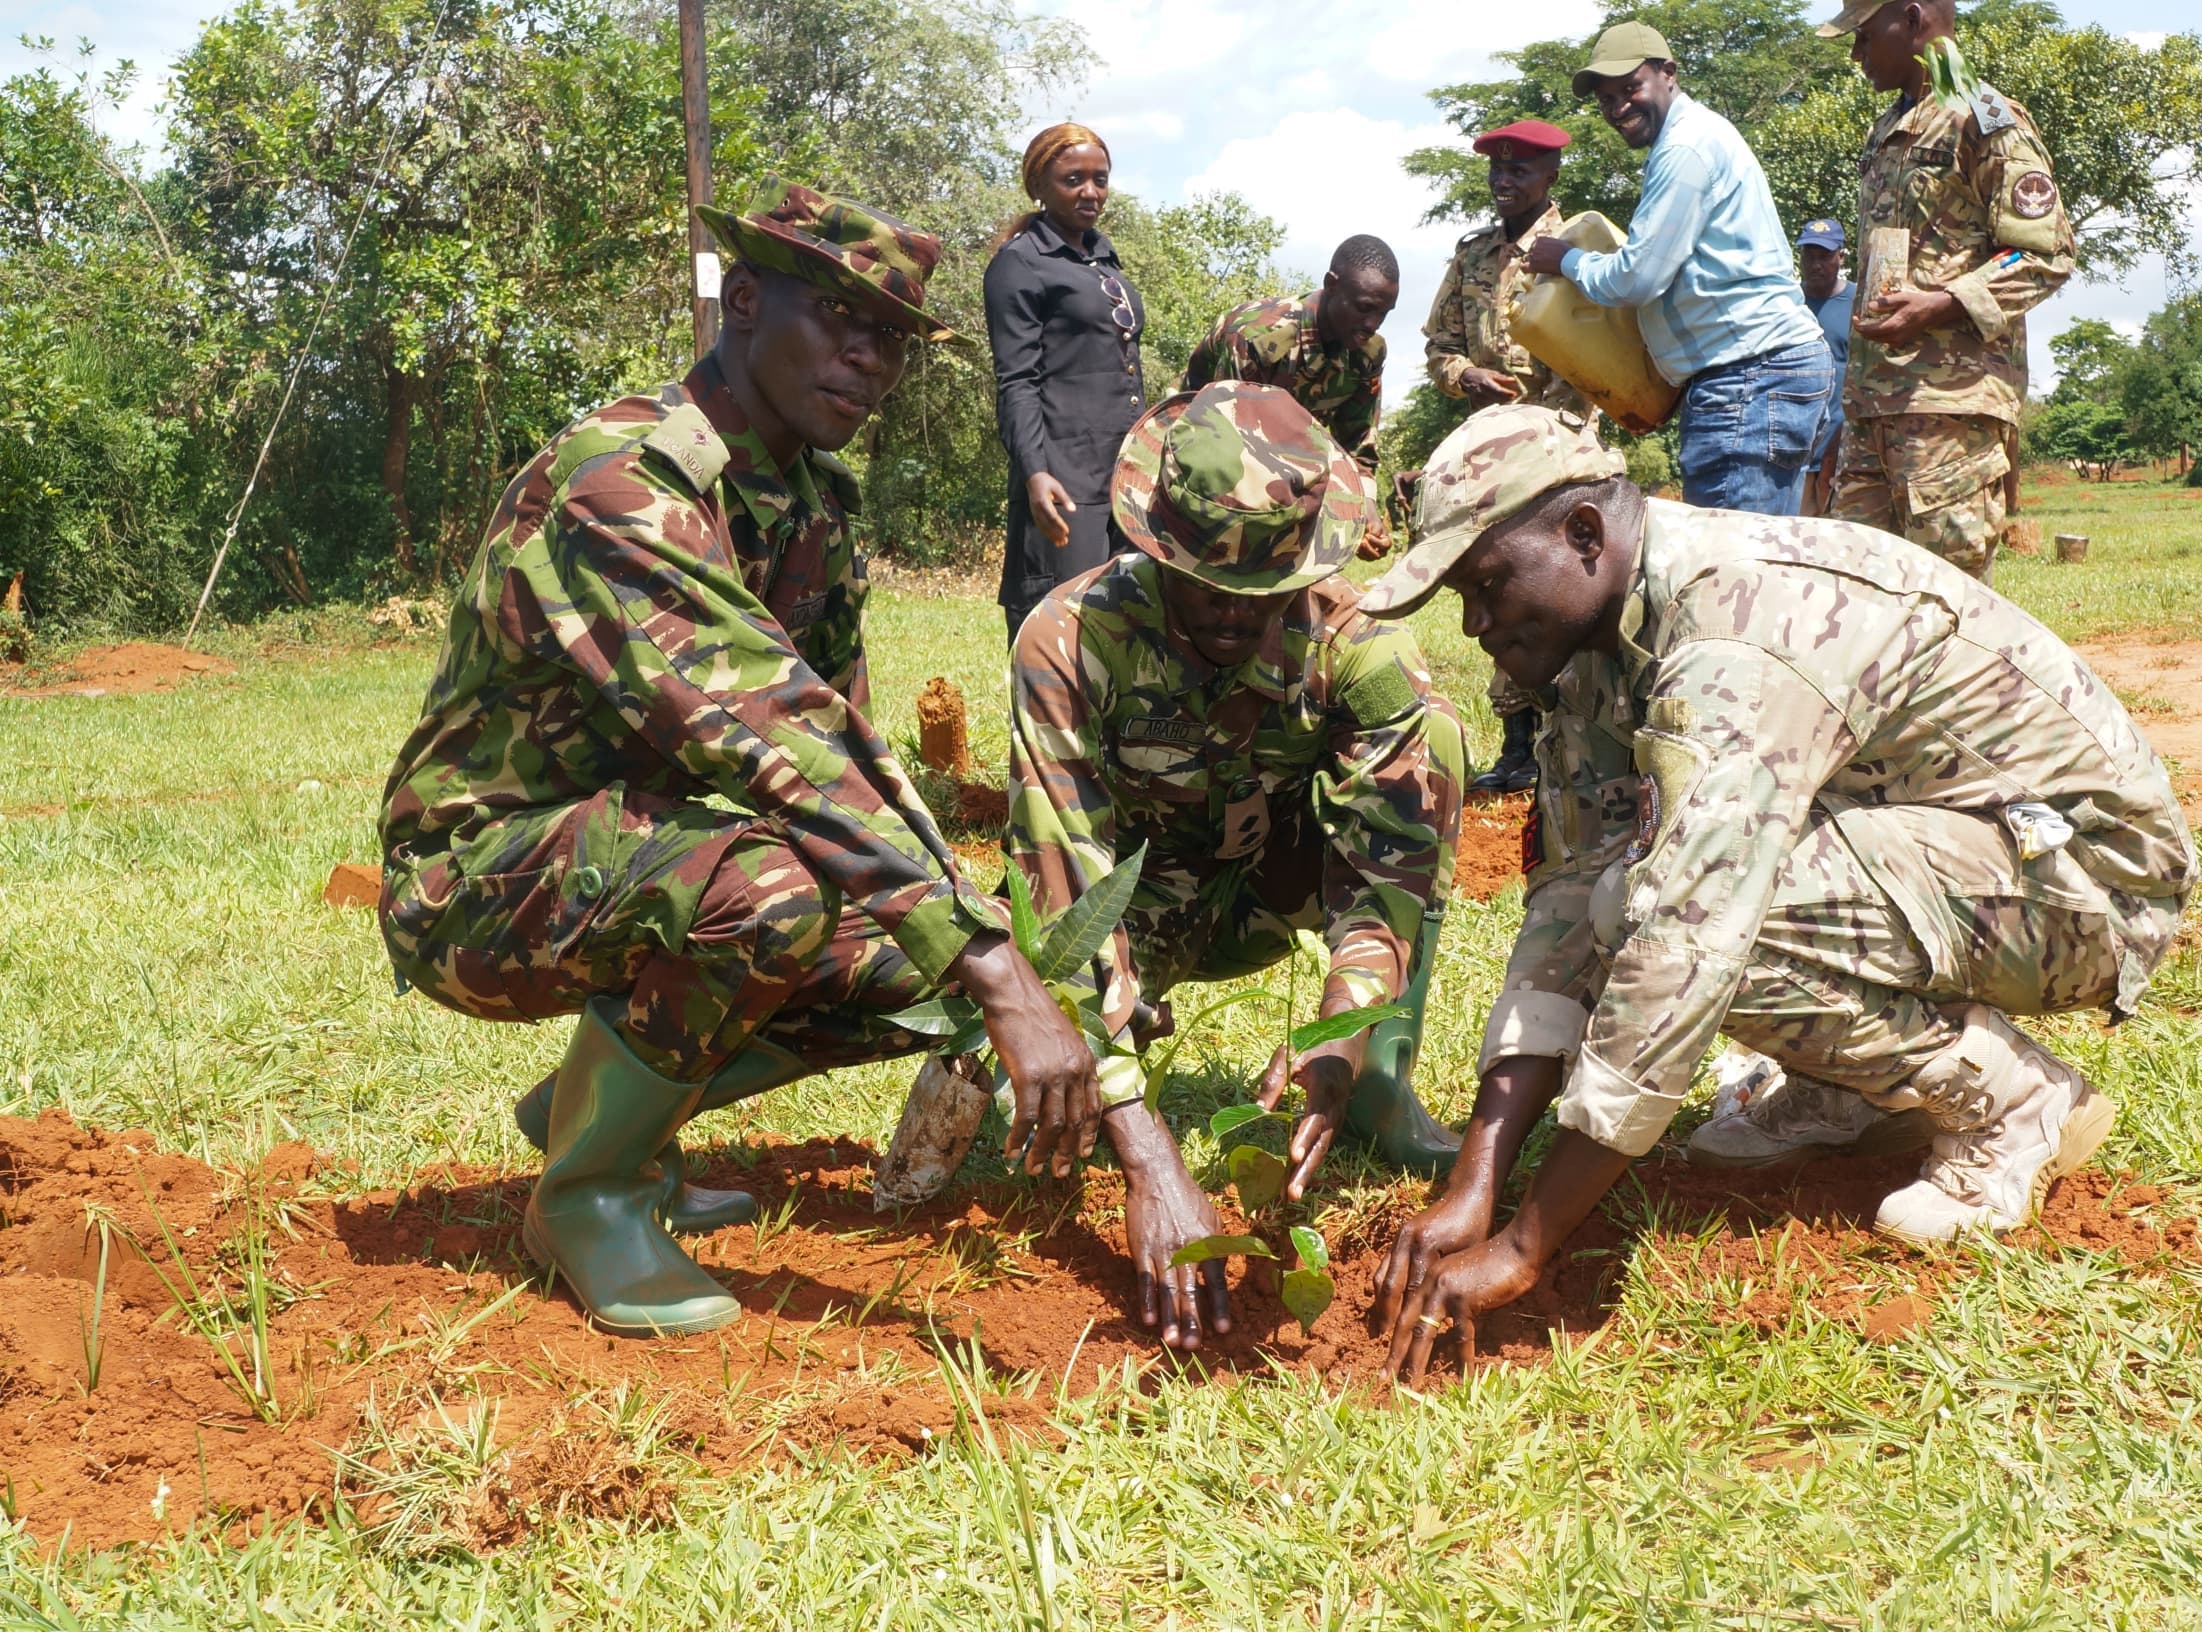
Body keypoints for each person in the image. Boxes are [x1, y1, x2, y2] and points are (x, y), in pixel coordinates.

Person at [378, 178, 1101, 1340]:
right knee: (775, 896)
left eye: (892, 341)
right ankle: (588, 1194)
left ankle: (599, 1118)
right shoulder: (623, 485)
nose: (869, 361)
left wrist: (977, 934)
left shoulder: (807, 504)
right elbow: (779, 740)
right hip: (472, 876)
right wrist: (1002, 977)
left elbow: (846, 737)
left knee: (903, 949)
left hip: (631, 852)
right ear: (748, 301)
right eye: (842, 320)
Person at [1351, 405, 2196, 1381]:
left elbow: (1685, 937)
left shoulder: (1733, 634)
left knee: (1685, 916)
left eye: (1487, 584)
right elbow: (1565, 895)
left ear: (1583, 535)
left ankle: (2010, 1102)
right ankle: (1848, 1093)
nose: (1475, 623)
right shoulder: (1600, 641)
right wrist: (1476, 1181)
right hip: (1945, 851)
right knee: (1611, 893)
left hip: (2083, 885)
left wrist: (1526, 1244)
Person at [1010, 381, 1468, 1347]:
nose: (1226, 612)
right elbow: (1068, 892)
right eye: (1198, 582)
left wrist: (1340, 1032)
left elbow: (1383, 873)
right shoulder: (1070, 640)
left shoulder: (1360, 647)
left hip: (1279, 880)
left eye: (1257, 591)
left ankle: (1381, 1083)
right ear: (1151, 545)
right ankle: (1108, 1064)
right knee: (994, 1065)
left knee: (1445, 750)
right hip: (1145, 908)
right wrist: (1150, 1159)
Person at [1525, 22, 1833, 516]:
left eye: (1630, 88)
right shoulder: (1692, 138)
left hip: (1749, 376)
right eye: (1606, 99)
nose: (1618, 107)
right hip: (1759, 372)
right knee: (1761, 561)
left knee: (1731, 568)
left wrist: (1566, 259)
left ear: (1668, 73)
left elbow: (1638, 277)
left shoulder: (1684, 149)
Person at [1820, 0, 2075, 581]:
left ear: (1912, 21)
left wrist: (1945, 303)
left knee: (1949, 596)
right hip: (1872, 405)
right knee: (1857, 590)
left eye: (1863, 35)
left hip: (1948, 410)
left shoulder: (1985, 119)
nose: (1856, 54)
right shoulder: (1887, 127)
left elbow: (2046, 253)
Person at [1423, 117, 1590, 796]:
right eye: (1496, 170)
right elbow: (1439, 346)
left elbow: (1612, 338)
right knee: (1498, 583)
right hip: (1490, 455)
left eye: (1519, 170)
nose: (1503, 181)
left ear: (1550, 176)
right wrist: (1467, 378)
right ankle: (1519, 746)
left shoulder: (1579, 247)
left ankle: (1576, 739)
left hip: (1565, 452)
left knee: (1566, 587)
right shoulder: (1471, 256)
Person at [986, 122, 1149, 644]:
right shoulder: (1021, 263)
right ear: (1039, 184)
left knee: (1126, 627)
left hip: (1123, 478)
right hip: (1065, 480)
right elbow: (1016, 380)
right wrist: (1035, 472)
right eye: (1073, 179)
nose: (1090, 192)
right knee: (1060, 630)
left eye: (1100, 179)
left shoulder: (1103, 259)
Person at [1178, 236, 1402, 558]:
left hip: (1283, 464)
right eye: (1364, 308)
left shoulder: (1368, 353)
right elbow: (1223, 451)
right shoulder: (1259, 336)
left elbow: (1357, 446)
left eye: (1384, 313)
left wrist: (1363, 510)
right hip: (1200, 447)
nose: (1372, 324)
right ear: (1331, 285)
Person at [1797, 218, 1856, 515]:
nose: (1816, 264)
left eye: (1825, 256)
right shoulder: (1788, 304)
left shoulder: (1859, 301)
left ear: (1841, 257)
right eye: (1810, 255)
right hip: (1795, 453)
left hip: (1846, 454)